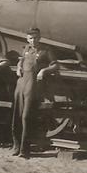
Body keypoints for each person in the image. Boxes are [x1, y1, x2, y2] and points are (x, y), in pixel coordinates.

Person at [11, 27, 58, 158]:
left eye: (36, 38)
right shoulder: (26, 49)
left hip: (33, 84)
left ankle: (24, 150)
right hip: (21, 82)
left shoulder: (46, 50)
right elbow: (21, 60)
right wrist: (19, 67)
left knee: (26, 116)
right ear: (27, 39)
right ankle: (16, 146)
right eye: (31, 38)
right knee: (17, 115)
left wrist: (44, 71)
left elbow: (55, 65)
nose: (33, 40)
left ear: (40, 38)